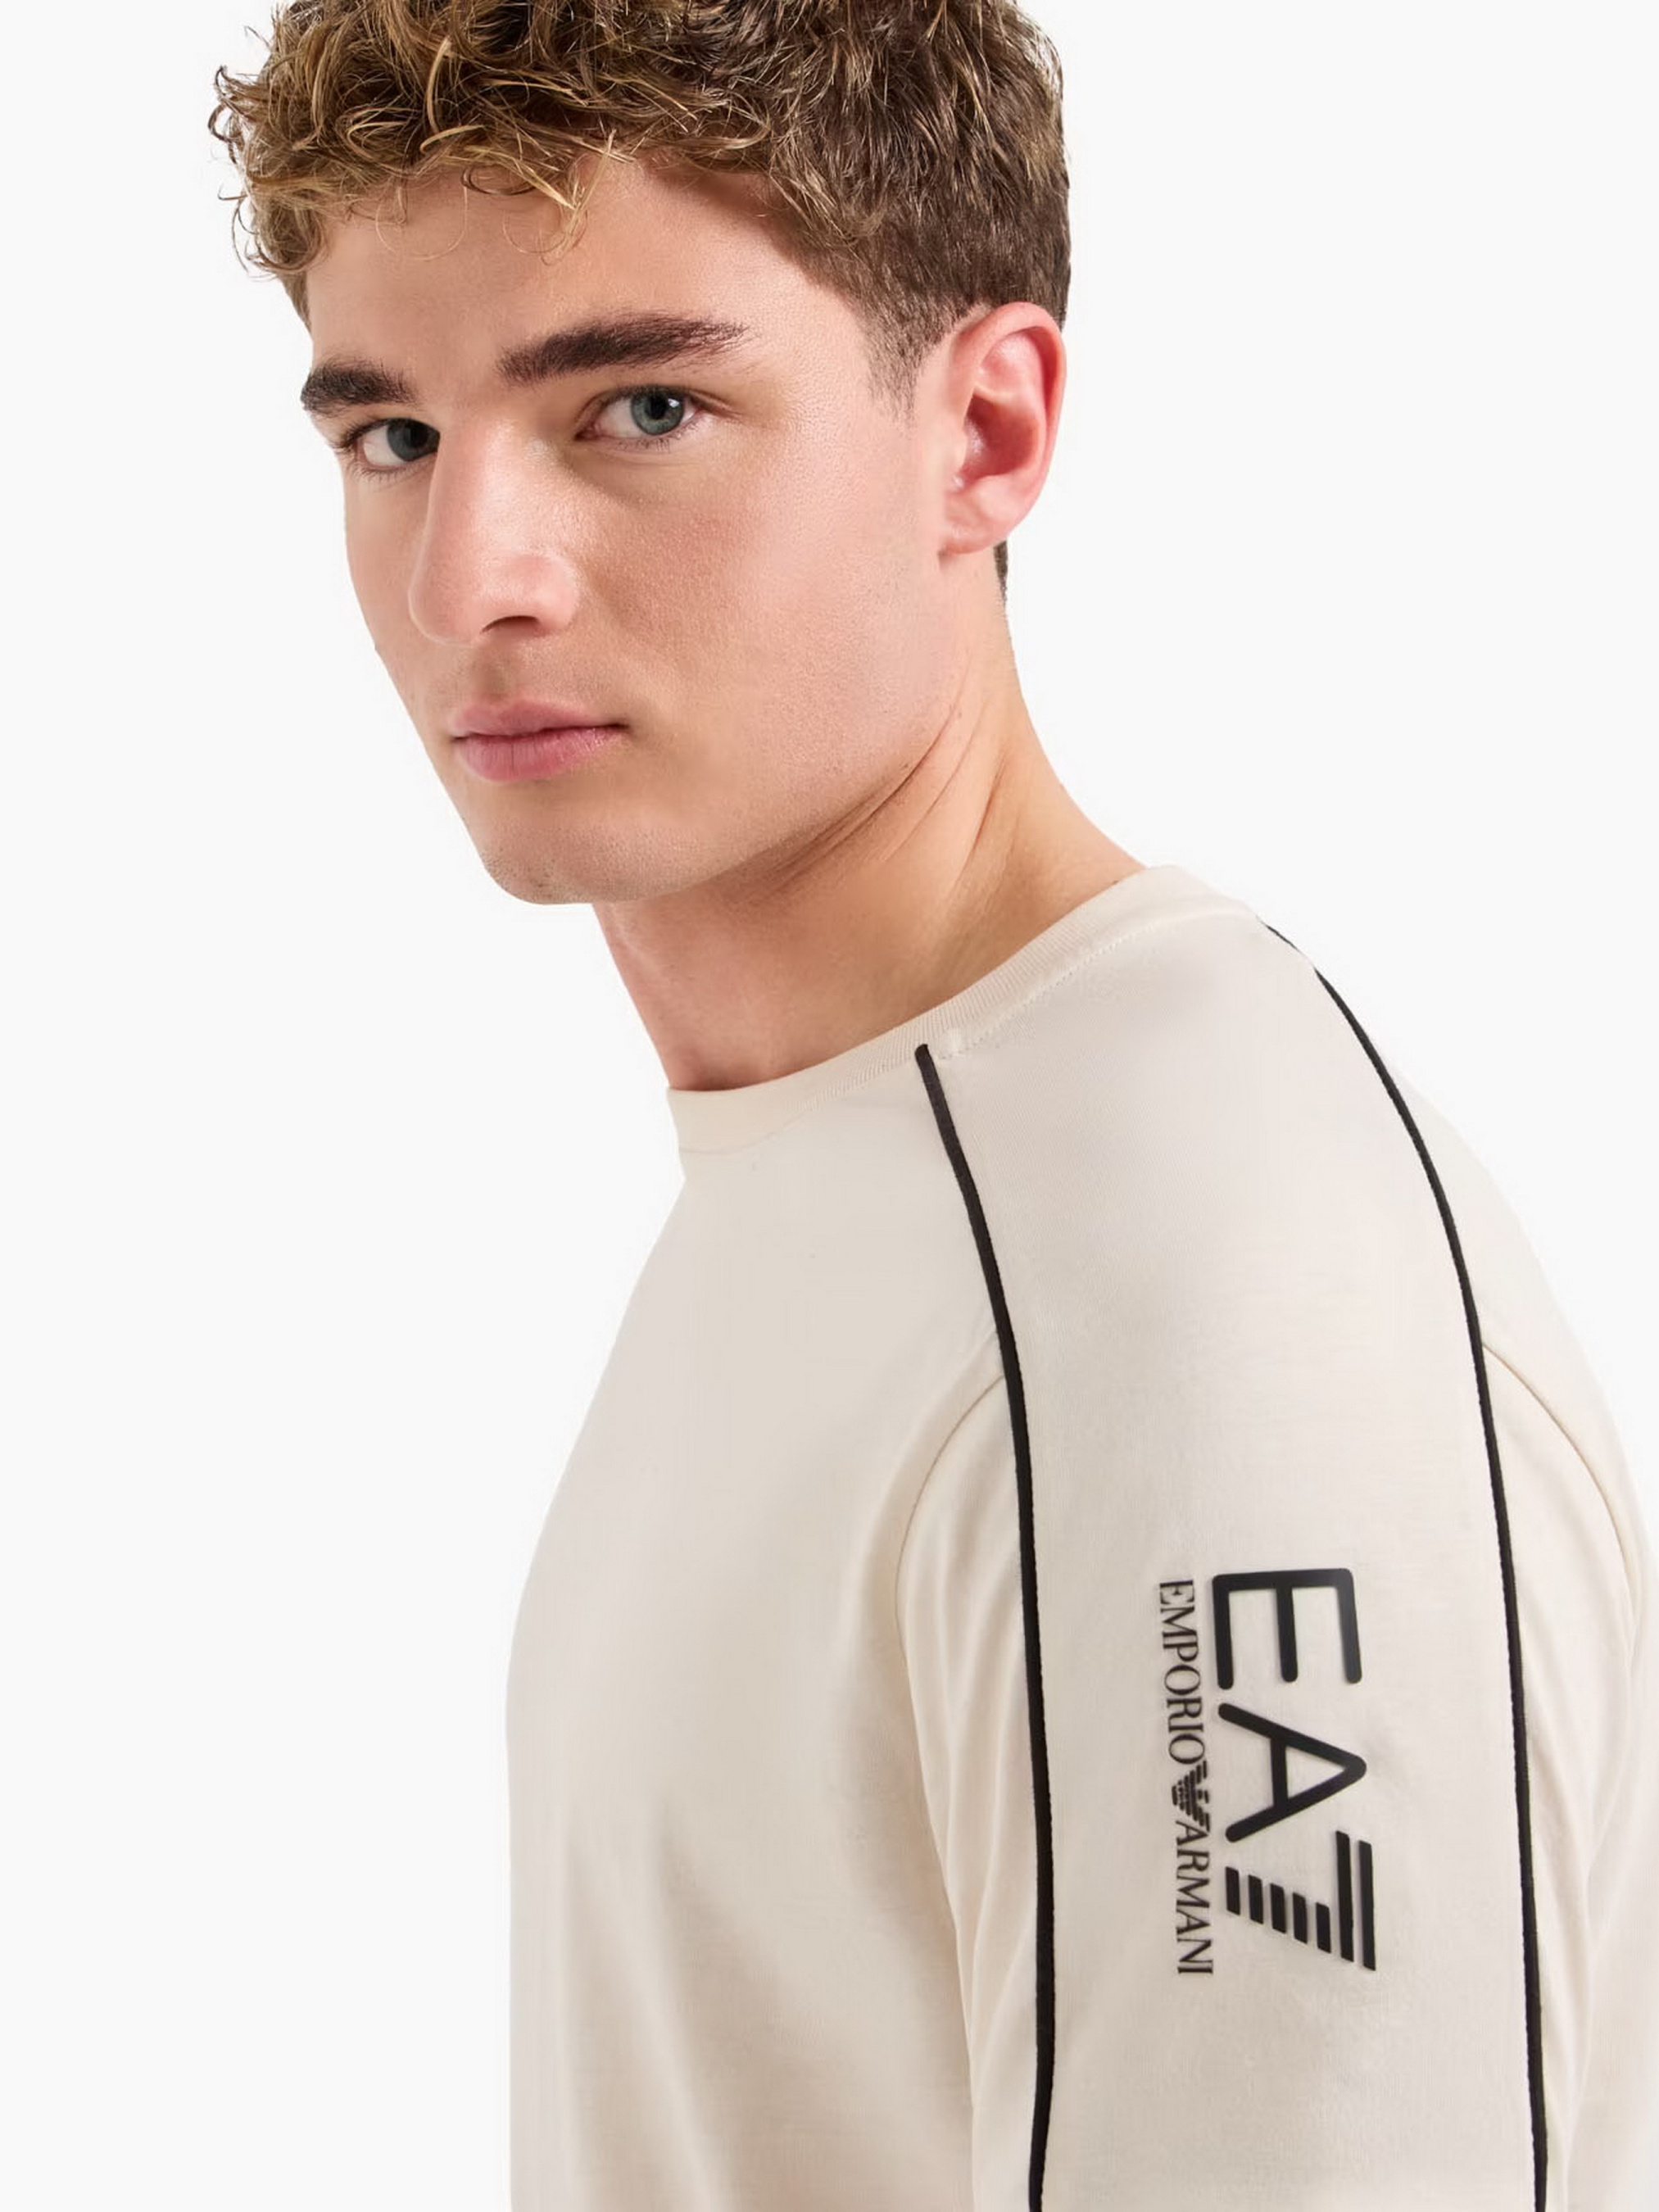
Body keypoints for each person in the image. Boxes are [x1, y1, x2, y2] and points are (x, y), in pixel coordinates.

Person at [208, 4, 1659, 2205]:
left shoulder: (1193, 1290)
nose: (470, 578)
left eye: (641, 408)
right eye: (394, 434)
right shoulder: (853, 1165)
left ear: (983, 431)